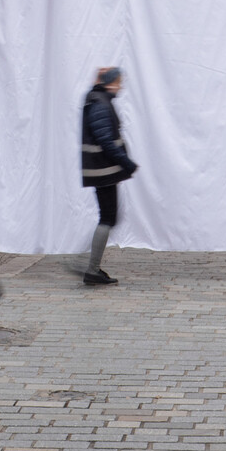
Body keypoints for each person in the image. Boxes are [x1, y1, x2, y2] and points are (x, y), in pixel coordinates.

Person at [79, 66, 136, 287]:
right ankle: (92, 270)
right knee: (108, 217)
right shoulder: (100, 103)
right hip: (104, 170)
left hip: (104, 170)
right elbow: (105, 140)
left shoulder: (98, 100)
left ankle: (93, 268)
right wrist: (127, 162)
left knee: (109, 217)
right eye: (118, 82)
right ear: (110, 83)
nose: (120, 87)